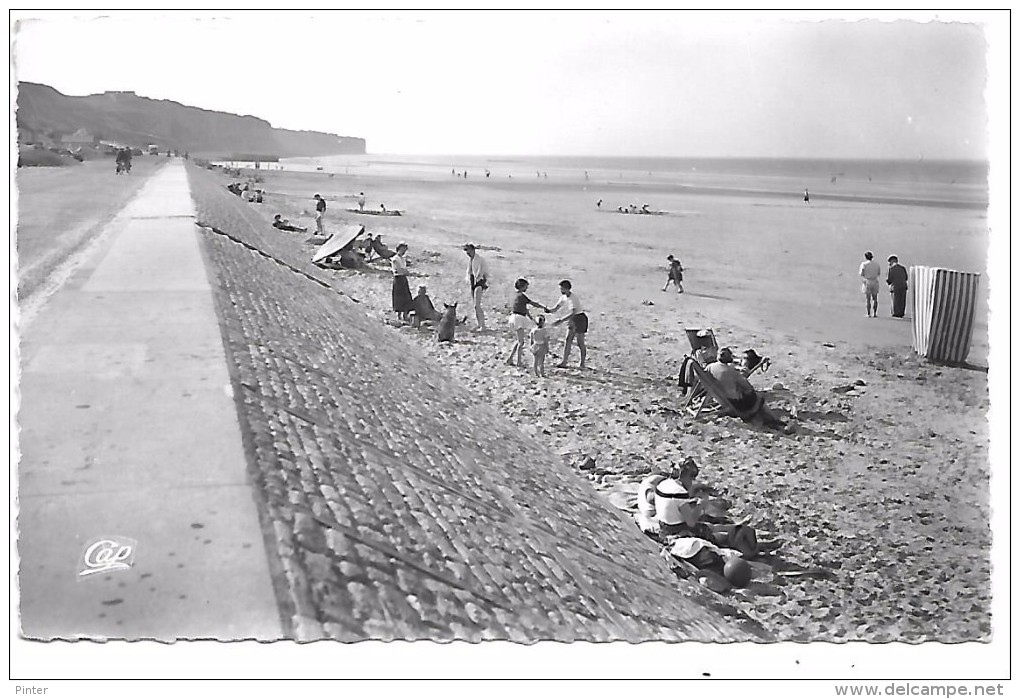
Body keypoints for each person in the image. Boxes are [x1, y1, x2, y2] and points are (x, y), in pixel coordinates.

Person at [707, 348, 784, 428]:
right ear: (728, 358)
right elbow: (747, 387)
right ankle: (773, 420)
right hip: (734, 402)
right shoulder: (731, 371)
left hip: (718, 396)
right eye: (731, 356)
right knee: (759, 399)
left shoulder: (710, 367)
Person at [506, 278, 547, 367]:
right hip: (519, 318)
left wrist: (531, 319)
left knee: (519, 341)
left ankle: (510, 358)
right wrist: (543, 307)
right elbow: (533, 304)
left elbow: (524, 309)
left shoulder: (516, 296)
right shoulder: (522, 296)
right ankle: (518, 362)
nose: (526, 288)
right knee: (521, 342)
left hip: (514, 317)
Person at [548, 279, 588, 369]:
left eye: (562, 289)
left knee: (580, 342)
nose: (560, 291)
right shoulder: (564, 297)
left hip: (579, 319)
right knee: (568, 340)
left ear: (567, 289)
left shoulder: (572, 299)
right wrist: (548, 310)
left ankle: (582, 363)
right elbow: (556, 308)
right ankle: (564, 361)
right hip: (573, 319)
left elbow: (573, 313)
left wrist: (561, 321)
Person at [463, 243, 490, 331]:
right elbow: (469, 273)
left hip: (479, 282)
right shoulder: (471, 260)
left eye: (468, 250)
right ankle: (480, 324)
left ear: (472, 250)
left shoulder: (479, 259)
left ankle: (482, 325)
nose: (467, 253)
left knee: (477, 305)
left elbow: (484, 272)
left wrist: (483, 282)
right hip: (473, 283)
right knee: (475, 306)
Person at [391, 243, 413, 323]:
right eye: (402, 249)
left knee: (406, 297)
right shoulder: (395, 259)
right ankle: (399, 315)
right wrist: (405, 271)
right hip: (398, 278)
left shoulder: (403, 259)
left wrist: (405, 271)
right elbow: (399, 270)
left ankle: (405, 314)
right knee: (398, 297)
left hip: (403, 278)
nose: (403, 252)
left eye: (405, 250)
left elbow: (405, 270)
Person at [859, 251, 881, 318]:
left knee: (868, 299)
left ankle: (868, 313)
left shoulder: (864, 264)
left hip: (867, 281)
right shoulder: (876, 264)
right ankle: (874, 313)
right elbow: (878, 273)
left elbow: (861, 273)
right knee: (875, 298)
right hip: (875, 281)